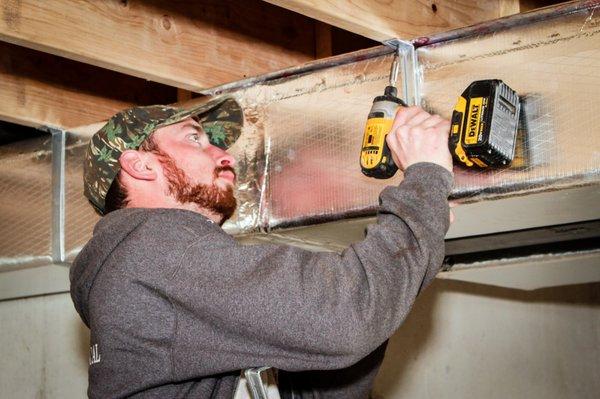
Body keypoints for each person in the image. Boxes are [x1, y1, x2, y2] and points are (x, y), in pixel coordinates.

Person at [70, 95, 453, 398]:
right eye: (193, 138)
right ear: (141, 166)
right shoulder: (152, 249)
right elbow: (345, 318)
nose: (225, 155)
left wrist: (418, 228)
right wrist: (425, 179)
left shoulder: (149, 268)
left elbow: (329, 369)